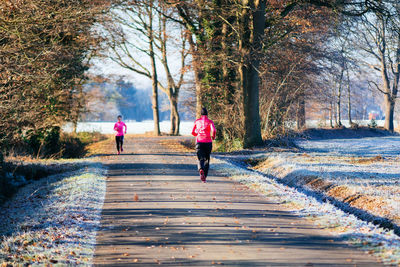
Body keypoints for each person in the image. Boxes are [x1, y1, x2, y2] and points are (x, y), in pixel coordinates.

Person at [192, 107, 216, 183]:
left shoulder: (197, 121)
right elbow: (214, 130)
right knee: (207, 159)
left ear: (201, 114)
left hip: (199, 142)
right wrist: (213, 136)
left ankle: (200, 169)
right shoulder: (210, 122)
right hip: (208, 142)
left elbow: (192, 132)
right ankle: (204, 177)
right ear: (207, 114)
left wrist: (197, 134)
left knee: (200, 158)